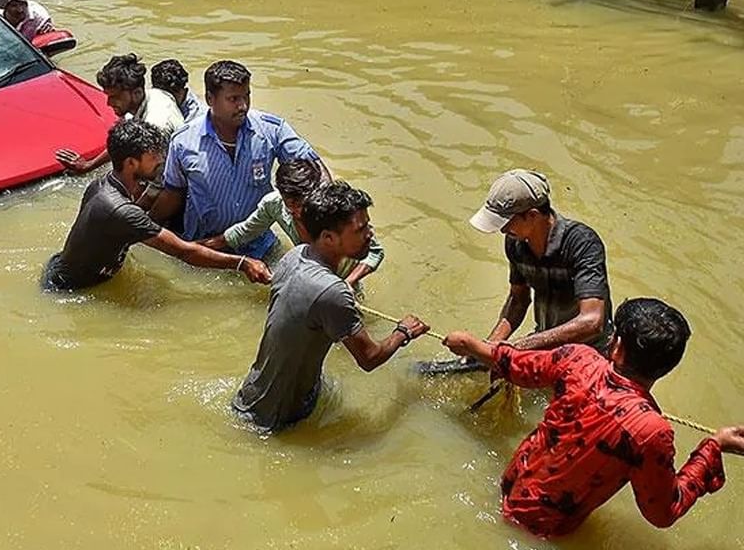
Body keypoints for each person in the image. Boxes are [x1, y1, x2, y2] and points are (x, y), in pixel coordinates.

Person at [442, 298, 742, 537]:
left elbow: (521, 366)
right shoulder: (651, 430)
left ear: (617, 346)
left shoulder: (577, 359)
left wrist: (474, 346)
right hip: (545, 529)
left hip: (510, 486)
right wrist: (713, 447)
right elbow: (663, 512)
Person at [233, 181, 429, 432]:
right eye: (360, 229)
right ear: (328, 237)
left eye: (368, 225)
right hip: (279, 419)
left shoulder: (295, 256)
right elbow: (369, 359)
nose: (370, 234)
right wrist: (404, 331)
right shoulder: (332, 292)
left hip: (252, 394)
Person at [43, 120, 272, 291]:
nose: (161, 160)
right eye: (153, 156)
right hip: (74, 290)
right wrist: (243, 263)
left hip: (61, 270)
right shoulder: (122, 212)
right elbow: (185, 252)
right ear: (131, 163)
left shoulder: (101, 185)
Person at [150, 60, 320, 259]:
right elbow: (173, 194)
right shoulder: (184, 142)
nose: (243, 105)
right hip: (206, 247)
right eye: (233, 99)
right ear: (210, 99)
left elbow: (312, 167)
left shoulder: (271, 130)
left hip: (258, 245)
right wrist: (146, 227)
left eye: (246, 96)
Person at [467, 169, 612, 352]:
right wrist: (490, 346)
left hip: (590, 350)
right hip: (545, 341)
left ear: (532, 216)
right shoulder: (515, 243)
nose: (502, 230)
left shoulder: (581, 243)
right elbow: (518, 300)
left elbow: (592, 321)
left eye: (506, 222)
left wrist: (520, 346)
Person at [201, 159, 386, 294]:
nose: (297, 211)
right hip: (311, 283)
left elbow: (375, 252)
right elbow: (245, 231)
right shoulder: (274, 204)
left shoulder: (333, 209)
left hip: (345, 284)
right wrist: (198, 247)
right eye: (291, 203)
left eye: (303, 203)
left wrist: (347, 283)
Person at [54, 54, 186, 174]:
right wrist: (88, 165)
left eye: (115, 97)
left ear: (136, 93)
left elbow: (155, 178)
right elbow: (121, 144)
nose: (108, 103)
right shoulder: (150, 96)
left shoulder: (156, 125)